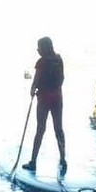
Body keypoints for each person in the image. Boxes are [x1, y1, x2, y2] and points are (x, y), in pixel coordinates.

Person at [21, 37, 66, 173]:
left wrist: (33, 90)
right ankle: (63, 159)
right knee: (59, 128)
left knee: (40, 128)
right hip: (57, 96)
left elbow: (36, 80)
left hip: (45, 97)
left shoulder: (41, 62)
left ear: (44, 48)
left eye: (39, 47)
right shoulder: (59, 59)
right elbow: (62, 78)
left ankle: (33, 162)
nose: (38, 50)